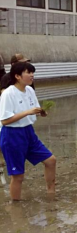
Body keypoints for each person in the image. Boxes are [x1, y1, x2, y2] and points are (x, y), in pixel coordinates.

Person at [0, 62, 56, 200]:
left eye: (32, 72)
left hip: (29, 132)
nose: (32, 75)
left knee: (50, 160)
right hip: (12, 135)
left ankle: (51, 193)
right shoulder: (8, 94)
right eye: (28, 72)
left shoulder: (30, 90)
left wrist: (40, 112)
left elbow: (34, 109)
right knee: (18, 176)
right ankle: (16, 206)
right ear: (18, 76)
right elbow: (5, 120)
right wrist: (27, 112)